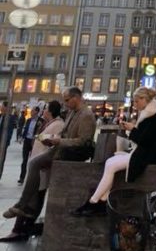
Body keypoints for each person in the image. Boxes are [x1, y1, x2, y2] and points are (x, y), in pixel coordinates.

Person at [71, 87, 156, 217]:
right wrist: (133, 128)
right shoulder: (154, 112)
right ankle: (100, 202)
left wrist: (132, 130)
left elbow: (144, 139)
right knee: (111, 163)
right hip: (145, 153)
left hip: (147, 156)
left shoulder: (152, 115)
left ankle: (95, 202)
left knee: (111, 164)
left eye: (136, 101)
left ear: (144, 99)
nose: (134, 105)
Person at [3, 86, 96, 221]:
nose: (65, 103)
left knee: (35, 164)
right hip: (60, 148)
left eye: (67, 100)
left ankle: (23, 205)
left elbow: (83, 141)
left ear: (76, 98)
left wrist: (59, 141)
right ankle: (25, 206)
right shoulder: (72, 112)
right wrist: (52, 138)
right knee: (35, 166)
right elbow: (64, 132)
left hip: (71, 153)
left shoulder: (86, 115)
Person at [0, 100, 65, 242]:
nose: (44, 110)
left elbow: (56, 142)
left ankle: (19, 231)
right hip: (36, 164)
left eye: (46, 108)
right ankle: (21, 230)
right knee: (33, 199)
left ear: (51, 110)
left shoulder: (58, 124)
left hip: (42, 167)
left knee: (33, 199)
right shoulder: (47, 123)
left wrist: (44, 139)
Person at [18, 107, 42, 184]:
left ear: (37, 112)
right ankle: (22, 178)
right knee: (24, 160)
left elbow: (41, 132)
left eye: (33, 111)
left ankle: (32, 179)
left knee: (34, 161)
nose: (31, 112)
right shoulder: (28, 120)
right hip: (27, 141)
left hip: (34, 142)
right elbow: (26, 129)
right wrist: (22, 137)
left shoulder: (41, 121)